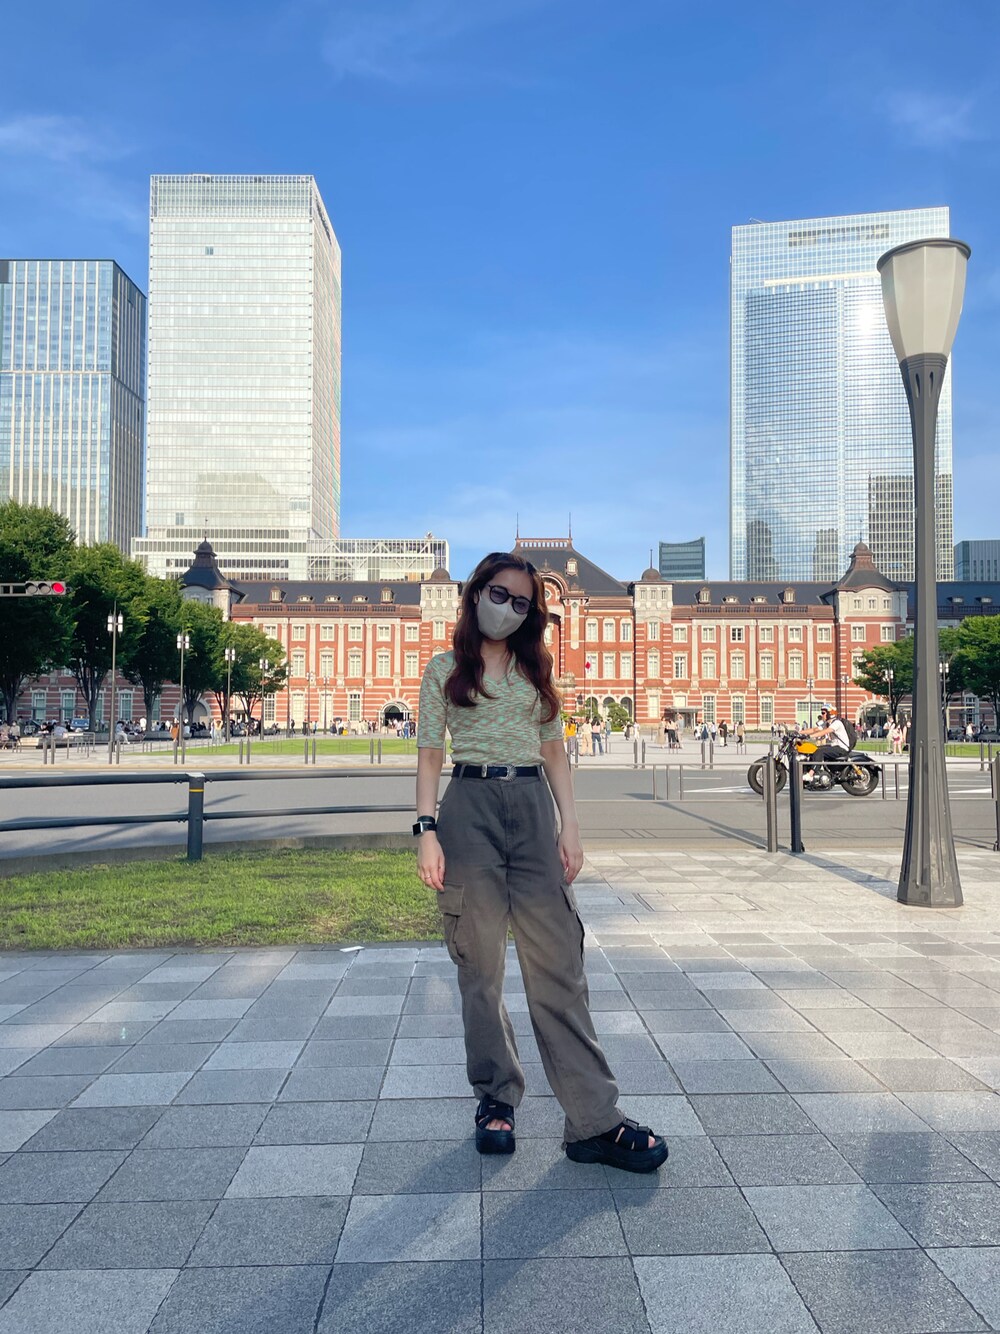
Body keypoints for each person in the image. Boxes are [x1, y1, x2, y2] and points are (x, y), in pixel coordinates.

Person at [415, 551, 668, 1175]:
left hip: (531, 807)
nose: (508, 608)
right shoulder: (444, 669)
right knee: (480, 970)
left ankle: (593, 1121)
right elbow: (429, 755)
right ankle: (496, 1099)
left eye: (522, 603)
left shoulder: (536, 668)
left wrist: (570, 826)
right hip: (468, 807)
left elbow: (554, 751)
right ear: (477, 593)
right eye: (499, 594)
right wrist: (426, 832)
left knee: (558, 967)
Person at [802, 706, 851, 781]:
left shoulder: (836, 723)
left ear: (830, 714)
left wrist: (809, 736)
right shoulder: (827, 723)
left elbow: (825, 731)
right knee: (814, 749)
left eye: (823, 713)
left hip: (841, 748)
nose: (821, 715)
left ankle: (810, 774)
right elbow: (814, 729)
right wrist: (799, 733)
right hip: (834, 746)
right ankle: (812, 771)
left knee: (820, 751)